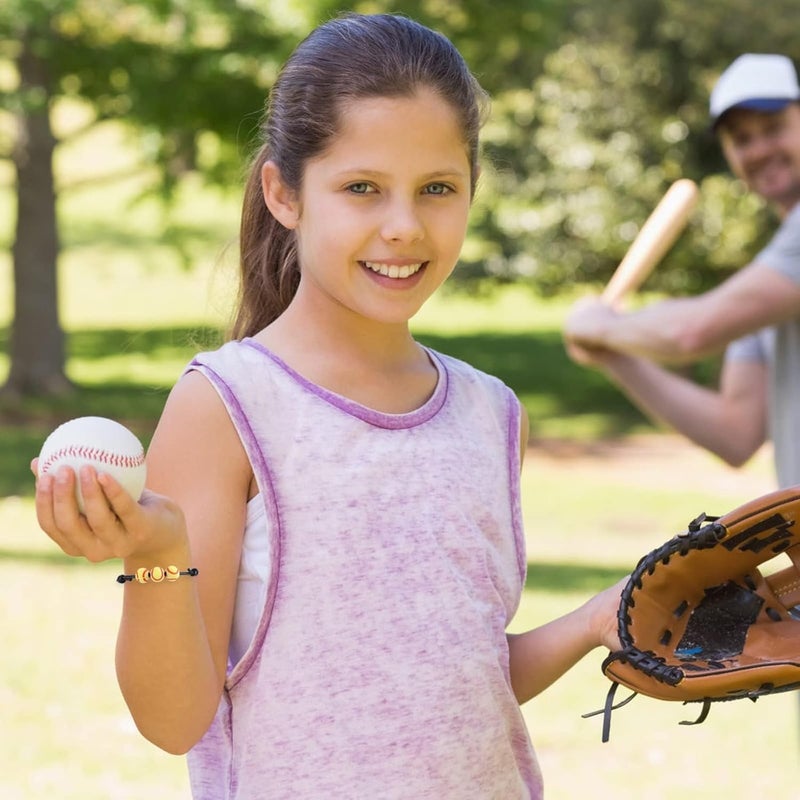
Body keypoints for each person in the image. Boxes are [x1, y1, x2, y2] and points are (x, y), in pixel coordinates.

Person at [33, 13, 622, 799]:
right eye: (362, 189)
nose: (404, 226)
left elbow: (450, 683)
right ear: (284, 193)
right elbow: (174, 720)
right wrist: (156, 556)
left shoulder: (491, 414)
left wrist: (588, 624)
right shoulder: (229, 404)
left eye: (437, 189)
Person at [564, 53, 800, 489]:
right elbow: (735, 434)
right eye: (741, 138)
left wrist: (599, 326)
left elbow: (690, 333)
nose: (759, 149)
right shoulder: (769, 282)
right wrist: (614, 353)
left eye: (773, 129)